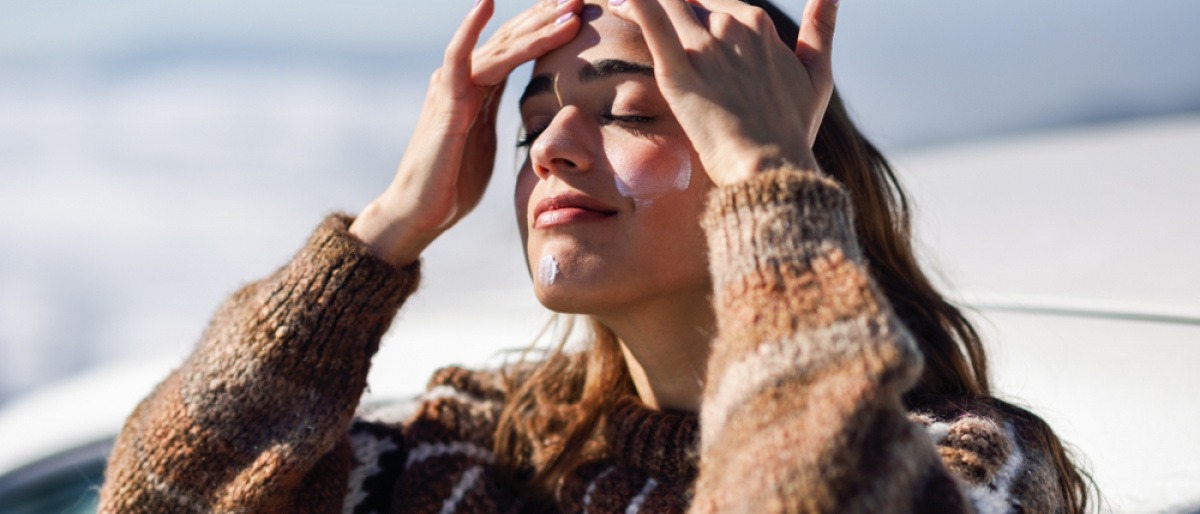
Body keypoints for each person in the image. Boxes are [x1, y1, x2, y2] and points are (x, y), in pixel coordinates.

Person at [98, 0, 1092, 512]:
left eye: (627, 111)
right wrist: (386, 228)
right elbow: (159, 495)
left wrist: (769, 183)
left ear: (775, 163)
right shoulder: (474, 449)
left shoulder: (970, 464)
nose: (558, 148)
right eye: (534, 129)